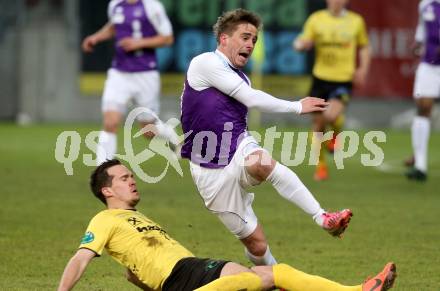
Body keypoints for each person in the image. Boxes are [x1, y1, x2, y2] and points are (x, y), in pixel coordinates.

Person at [57, 159, 397, 291]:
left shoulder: (137, 219)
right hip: (182, 280)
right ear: (106, 190)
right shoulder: (104, 219)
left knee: (274, 274)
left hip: (193, 269)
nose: (132, 181)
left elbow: (134, 274)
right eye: (123, 178)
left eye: (132, 175)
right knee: (254, 280)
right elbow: (80, 258)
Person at [180, 8, 352, 267]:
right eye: (245, 37)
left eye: (254, 40)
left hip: (237, 146)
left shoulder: (241, 77)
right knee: (257, 246)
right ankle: (272, 277)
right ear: (224, 39)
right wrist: (296, 106)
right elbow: (251, 99)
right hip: (208, 172)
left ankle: (323, 218)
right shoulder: (204, 63)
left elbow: (241, 111)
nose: (250, 44)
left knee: (261, 162)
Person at [82, 0, 179, 165]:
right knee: (110, 122)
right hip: (119, 73)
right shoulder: (115, 4)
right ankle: (103, 167)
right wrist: (96, 37)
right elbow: (114, 26)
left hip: (145, 74)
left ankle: (169, 133)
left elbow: (168, 38)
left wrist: (139, 43)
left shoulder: (151, 6)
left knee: (148, 130)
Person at [293, 0, 371, 181]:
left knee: (331, 116)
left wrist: (363, 69)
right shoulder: (316, 19)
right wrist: (300, 45)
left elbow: (365, 46)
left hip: (343, 79)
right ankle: (321, 166)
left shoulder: (356, 21)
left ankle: (335, 134)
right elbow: (301, 41)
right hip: (320, 78)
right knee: (318, 124)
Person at [405, 0, 440, 182]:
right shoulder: (425, 3)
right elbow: (423, 28)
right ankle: (420, 165)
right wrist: (418, 43)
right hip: (430, 64)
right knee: (423, 108)